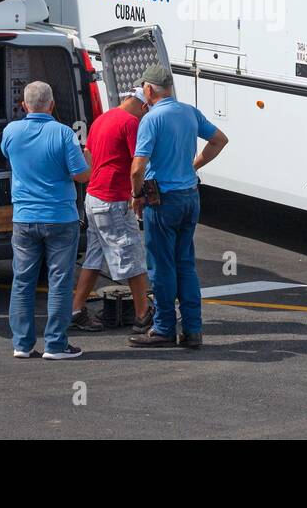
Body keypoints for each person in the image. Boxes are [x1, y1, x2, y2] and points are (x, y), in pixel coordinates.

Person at [127, 65, 228, 349]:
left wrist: (136, 195)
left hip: (163, 200)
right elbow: (219, 140)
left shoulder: (151, 119)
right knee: (185, 264)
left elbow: (137, 168)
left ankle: (163, 328)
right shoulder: (189, 112)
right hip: (189, 196)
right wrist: (193, 165)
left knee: (161, 266)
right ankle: (193, 330)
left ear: (148, 90)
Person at [1, 80, 91, 360]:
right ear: (51, 104)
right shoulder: (64, 134)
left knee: (22, 281)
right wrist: (86, 157)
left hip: (24, 217)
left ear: (24, 105)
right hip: (60, 217)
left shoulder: (11, 131)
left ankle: (23, 343)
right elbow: (81, 175)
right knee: (60, 280)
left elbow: (8, 156)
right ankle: (55, 344)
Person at [70, 88, 152, 333]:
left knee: (94, 257)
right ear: (142, 105)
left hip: (94, 197)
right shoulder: (130, 123)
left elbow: (89, 157)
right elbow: (138, 164)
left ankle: (76, 309)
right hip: (113, 200)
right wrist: (138, 194)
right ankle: (142, 315)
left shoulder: (101, 119)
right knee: (133, 256)